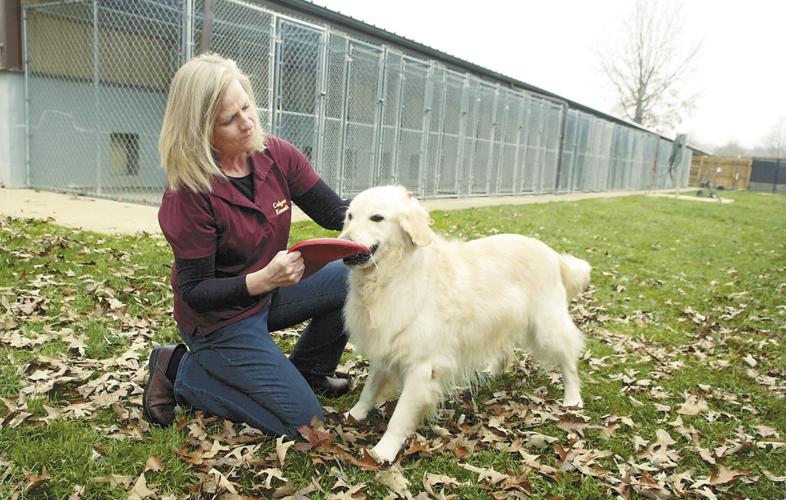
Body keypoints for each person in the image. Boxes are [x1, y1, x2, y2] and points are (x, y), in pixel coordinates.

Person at [142, 53, 353, 437]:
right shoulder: (189, 192)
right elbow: (195, 292)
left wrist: (386, 209)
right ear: (200, 131)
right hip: (219, 320)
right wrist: (262, 280)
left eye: (247, 106)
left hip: (268, 294)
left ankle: (310, 369)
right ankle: (180, 371)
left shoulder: (276, 153)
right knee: (308, 426)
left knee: (351, 275)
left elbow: (335, 212)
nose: (247, 122)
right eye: (229, 119)